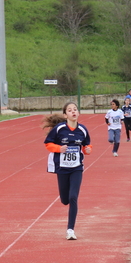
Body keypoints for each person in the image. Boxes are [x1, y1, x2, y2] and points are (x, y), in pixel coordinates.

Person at [42, 102, 92, 241]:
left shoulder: (82, 130)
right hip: (62, 168)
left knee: (73, 197)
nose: (73, 112)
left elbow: (87, 144)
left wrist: (87, 150)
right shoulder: (59, 129)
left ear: (78, 113)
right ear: (65, 115)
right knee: (65, 200)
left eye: (75, 110)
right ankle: (66, 204)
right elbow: (48, 144)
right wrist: (59, 149)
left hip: (77, 168)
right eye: (70, 110)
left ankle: (70, 229)